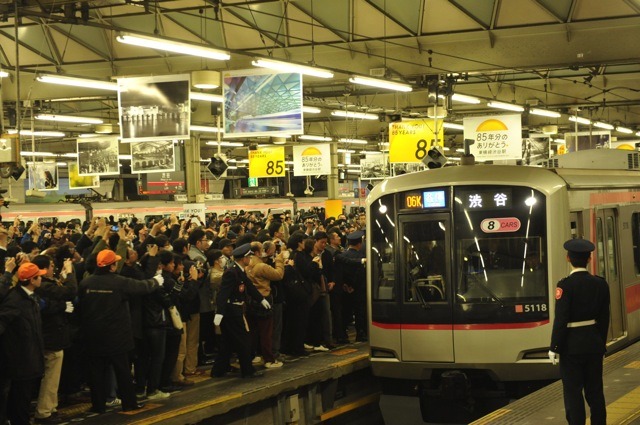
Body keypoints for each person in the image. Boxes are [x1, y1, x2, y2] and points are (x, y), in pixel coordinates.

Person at [78, 249, 163, 414]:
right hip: (117, 335)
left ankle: (98, 405)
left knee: (96, 373)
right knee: (123, 371)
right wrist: (155, 281)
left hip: (93, 335)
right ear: (111, 266)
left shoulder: (86, 283)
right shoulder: (119, 282)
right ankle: (129, 403)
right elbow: (141, 287)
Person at [549, 239, 610, 425]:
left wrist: (554, 347)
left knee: (573, 391)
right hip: (593, 344)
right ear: (590, 258)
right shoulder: (600, 284)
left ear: (568, 258)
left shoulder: (565, 285)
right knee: (595, 391)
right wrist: (600, 341)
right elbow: (604, 317)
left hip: (570, 347)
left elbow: (561, 320)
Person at [211, 243, 271, 379]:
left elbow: (249, 286)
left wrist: (261, 299)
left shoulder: (239, 271)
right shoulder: (231, 273)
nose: (250, 259)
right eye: (248, 257)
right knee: (244, 340)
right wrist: (219, 313)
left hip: (235, 309)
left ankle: (218, 370)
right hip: (231, 311)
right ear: (243, 258)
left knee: (227, 342)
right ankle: (247, 370)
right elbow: (223, 293)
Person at [0, 262, 46, 425]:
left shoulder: (29, 298)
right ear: (32, 280)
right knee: (20, 402)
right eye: (39, 276)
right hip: (21, 361)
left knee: (21, 401)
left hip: (29, 358)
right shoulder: (15, 300)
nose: (42, 278)